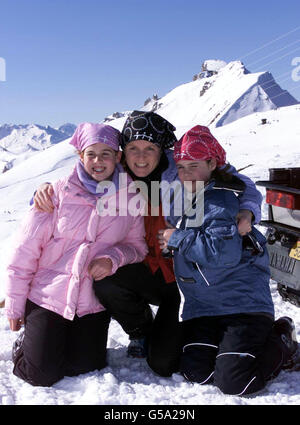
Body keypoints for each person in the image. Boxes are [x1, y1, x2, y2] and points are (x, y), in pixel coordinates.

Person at [33, 111, 263, 378]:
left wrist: (248, 210)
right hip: (145, 269)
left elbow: (235, 180)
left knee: (164, 364)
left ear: (161, 149)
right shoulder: (116, 174)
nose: (140, 157)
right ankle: (140, 329)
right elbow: (77, 181)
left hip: (182, 276)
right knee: (107, 281)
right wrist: (45, 189)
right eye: (132, 148)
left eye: (149, 148)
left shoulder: (179, 165)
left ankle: (181, 332)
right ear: (122, 152)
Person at [157, 125, 299, 395]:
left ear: (212, 163)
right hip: (204, 308)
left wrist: (177, 239)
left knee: (236, 382)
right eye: (181, 167)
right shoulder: (191, 195)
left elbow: (223, 254)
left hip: (242, 306)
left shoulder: (219, 199)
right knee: (197, 373)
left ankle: (282, 338)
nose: (186, 174)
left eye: (193, 166)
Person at [4, 123, 147, 387]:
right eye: (91, 153)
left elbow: (138, 247)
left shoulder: (131, 198)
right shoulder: (55, 194)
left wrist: (113, 258)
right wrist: (14, 304)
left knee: (86, 367)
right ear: (80, 156)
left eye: (106, 153)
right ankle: (29, 342)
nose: (98, 161)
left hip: (92, 302)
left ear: (117, 157)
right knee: (40, 374)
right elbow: (23, 252)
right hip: (48, 297)